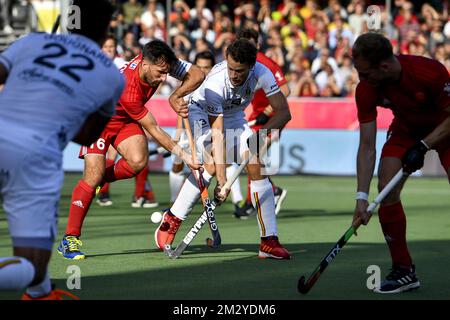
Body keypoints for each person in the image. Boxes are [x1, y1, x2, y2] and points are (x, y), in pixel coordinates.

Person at [0, 0, 124, 299]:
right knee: (32, 263)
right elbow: (87, 136)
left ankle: (42, 295)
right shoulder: (112, 75)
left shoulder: (32, 41)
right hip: (35, 157)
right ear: (105, 28)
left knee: (37, 281)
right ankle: (40, 292)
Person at [57, 39, 204, 260]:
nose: (164, 79)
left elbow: (197, 74)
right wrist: (184, 156)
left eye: (167, 73)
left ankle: (96, 182)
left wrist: (175, 95)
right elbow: (154, 129)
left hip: (123, 118)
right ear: (145, 65)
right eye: (161, 73)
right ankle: (69, 239)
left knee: (137, 162)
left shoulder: (159, 60)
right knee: (93, 175)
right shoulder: (129, 87)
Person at [155, 39, 292, 259]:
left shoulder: (262, 72)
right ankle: (172, 218)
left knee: (257, 164)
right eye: (230, 68)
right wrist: (221, 180)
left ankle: (268, 241)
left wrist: (261, 135)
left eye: (239, 71)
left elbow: (284, 113)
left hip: (235, 116)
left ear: (251, 66)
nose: (234, 75)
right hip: (200, 113)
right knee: (211, 161)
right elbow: (218, 136)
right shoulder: (215, 84)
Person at [351, 32, 450, 294]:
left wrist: (425, 145)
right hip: (406, 128)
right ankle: (404, 270)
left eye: (365, 74)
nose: (362, 80)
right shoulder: (366, 89)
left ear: (384, 66)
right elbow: (367, 146)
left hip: (445, 127)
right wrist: (361, 197)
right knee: (387, 186)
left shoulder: (429, 72)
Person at [233, 28, 291, 219]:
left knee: (252, 156)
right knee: (252, 158)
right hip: (257, 118)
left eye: (250, 45)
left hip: (271, 118)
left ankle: (253, 201)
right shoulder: (242, 63)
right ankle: (271, 192)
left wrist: (267, 113)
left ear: (257, 45)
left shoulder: (265, 63)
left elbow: (286, 89)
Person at [97, 35, 158, 208]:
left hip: (126, 110)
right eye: (106, 47)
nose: (109, 50)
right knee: (111, 155)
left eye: (111, 47)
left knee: (138, 156)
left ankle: (139, 195)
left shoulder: (119, 63)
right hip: (106, 113)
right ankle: (103, 192)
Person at [169, 50, 216, 204]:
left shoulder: (216, 85)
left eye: (207, 67)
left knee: (207, 166)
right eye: (200, 67)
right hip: (187, 128)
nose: (203, 71)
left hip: (206, 131)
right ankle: (174, 202)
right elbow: (180, 108)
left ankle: (235, 201)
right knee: (177, 163)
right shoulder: (190, 82)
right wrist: (177, 135)